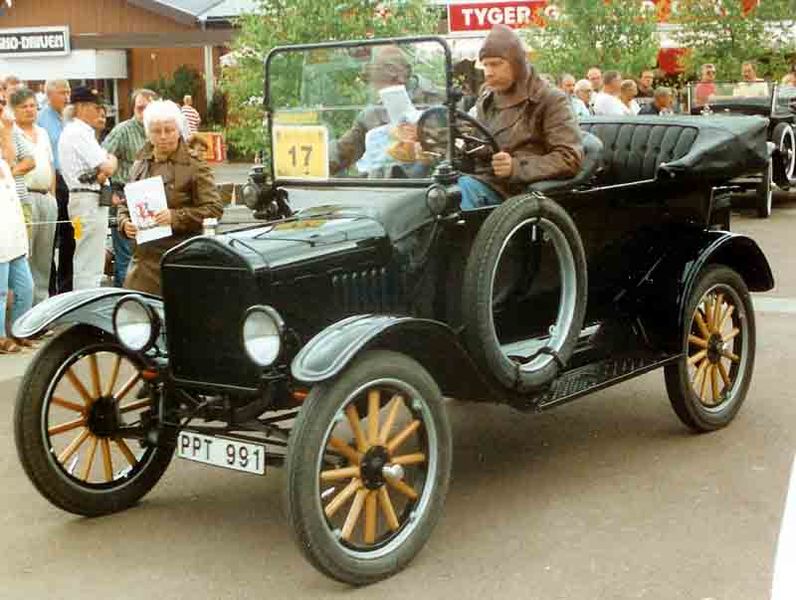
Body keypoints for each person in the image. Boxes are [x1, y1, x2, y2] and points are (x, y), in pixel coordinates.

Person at [458, 24, 583, 209]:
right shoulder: (488, 97)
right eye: (485, 65)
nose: (489, 72)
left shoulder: (549, 99)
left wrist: (516, 167)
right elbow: (479, 143)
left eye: (496, 64)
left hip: (515, 193)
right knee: (427, 187)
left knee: (455, 195)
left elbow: (569, 157)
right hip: (482, 181)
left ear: (516, 63)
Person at [118, 100, 223, 295]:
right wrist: (125, 223)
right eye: (157, 131)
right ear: (148, 133)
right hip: (143, 266)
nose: (164, 136)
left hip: (181, 260)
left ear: (179, 130)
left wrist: (175, 217)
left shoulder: (195, 165)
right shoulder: (139, 164)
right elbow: (125, 205)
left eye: (169, 130)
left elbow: (214, 208)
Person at [58, 86, 118, 290]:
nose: (99, 112)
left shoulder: (78, 132)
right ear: (82, 107)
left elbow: (102, 174)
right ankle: (85, 304)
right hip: (87, 200)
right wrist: (111, 160)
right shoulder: (78, 132)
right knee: (89, 260)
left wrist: (106, 169)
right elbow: (107, 166)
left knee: (88, 257)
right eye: (96, 107)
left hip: (87, 197)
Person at [102, 88, 157, 287]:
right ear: (133, 108)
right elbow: (101, 160)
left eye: (148, 108)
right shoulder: (122, 131)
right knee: (126, 257)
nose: (144, 112)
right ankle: (123, 301)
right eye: (139, 108)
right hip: (124, 198)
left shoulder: (159, 132)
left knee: (150, 256)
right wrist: (109, 196)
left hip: (153, 199)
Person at [11, 88, 57, 305]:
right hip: (25, 198)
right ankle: (23, 311)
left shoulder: (43, 133)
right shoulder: (11, 135)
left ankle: (41, 308)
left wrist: (53, 196)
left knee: (44, 257)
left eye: (32, 105)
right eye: (24, 106)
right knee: (26, 256)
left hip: (46, 197)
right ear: (14, 110)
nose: (30, 110)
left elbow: (50, 166)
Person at [37, 79, 72, 293]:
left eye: (68, 92)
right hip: (53, 181)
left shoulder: (69, 118)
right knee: (50, 239)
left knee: (71, 237)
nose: (67, 97)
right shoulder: (41, 120)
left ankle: (67, 288)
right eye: (62, 92)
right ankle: (49, 290)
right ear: (49, 95)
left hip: (71, 182)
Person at [0, 150, 34, 354]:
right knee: (0, 292)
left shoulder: (5, 164)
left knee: (26, 287)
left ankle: (19, 331)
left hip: (14, 238)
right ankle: (1, 338)